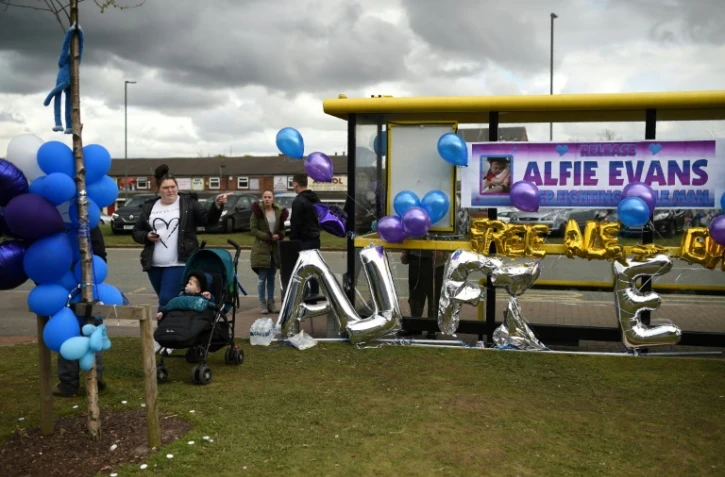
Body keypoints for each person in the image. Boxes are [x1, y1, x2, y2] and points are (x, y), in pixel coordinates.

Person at [132, 164, 229, 316]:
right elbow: (137, 231)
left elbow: (207, 220)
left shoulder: (188, 203)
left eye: (173, 187)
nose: (170, 190)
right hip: (154, 265)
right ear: (158, 189)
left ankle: (163, 336)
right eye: (166, 188)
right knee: (168, 301)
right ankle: (174, 332)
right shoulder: (149, 207)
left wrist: (216, 205)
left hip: (180, 262)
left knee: (166, 300)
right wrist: (147, 236)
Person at [53, 225, 108, 397]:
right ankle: (87, 378)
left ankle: (71, 382)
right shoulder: (84, 218)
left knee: (73, 330)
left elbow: (99, 253)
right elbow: (100, 253)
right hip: (80, 283)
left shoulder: (63, 220)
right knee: (86, 328)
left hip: (76, 284)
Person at [250, 190, 288, 314]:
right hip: (261, 249)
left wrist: (280, 235)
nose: (267, 199)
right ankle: (262, 303)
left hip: (274, 249)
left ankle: (271, 302)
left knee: (271, 277)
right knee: (262, 278)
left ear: (273, 199)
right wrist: (268, 237)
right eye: (265, 197)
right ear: (262, 199)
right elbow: (253, 229)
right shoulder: (257, 213)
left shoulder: (278, 212)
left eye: (269, 197)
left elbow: (282, 229)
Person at [400, 249, 447, 338]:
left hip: (433, 257)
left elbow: (444, 234)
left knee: (433, 296)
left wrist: (440, 249)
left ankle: (432, 327)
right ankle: (415, 325)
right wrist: (404, 250)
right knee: (415, 295)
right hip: (415, 256)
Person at [289, 173, 322, 296]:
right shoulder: (315, 199)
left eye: (293, 184)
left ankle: (303, 295)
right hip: (315, 238)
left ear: (296, 184)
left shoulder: (298, 201)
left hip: (303, 240)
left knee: (302, 269)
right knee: (313, 268)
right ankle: (314, 293)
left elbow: (295, 223)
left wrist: (293, 240)